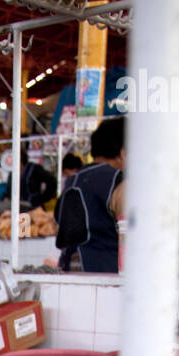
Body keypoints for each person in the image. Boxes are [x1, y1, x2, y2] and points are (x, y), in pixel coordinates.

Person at [55, 116, 125, 273]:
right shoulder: (117, 180)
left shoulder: (73, 180)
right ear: (123, 153)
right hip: (104, 273)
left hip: (68, 269)